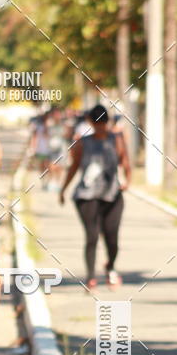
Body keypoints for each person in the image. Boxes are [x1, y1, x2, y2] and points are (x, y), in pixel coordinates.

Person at [59, 104, 131, 291]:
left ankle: (110, 266)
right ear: (90, 122)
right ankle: (91, 276)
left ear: (108, 122)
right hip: (87, 196)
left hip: (112, 195)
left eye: (103, 123)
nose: (100, 127)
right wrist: (63, 189)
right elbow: (74, 167)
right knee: (92, 236)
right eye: (97, 123)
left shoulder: (116, 140)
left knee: (112, 236)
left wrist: (127, 180)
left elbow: (125, 161)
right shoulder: (82, 143)